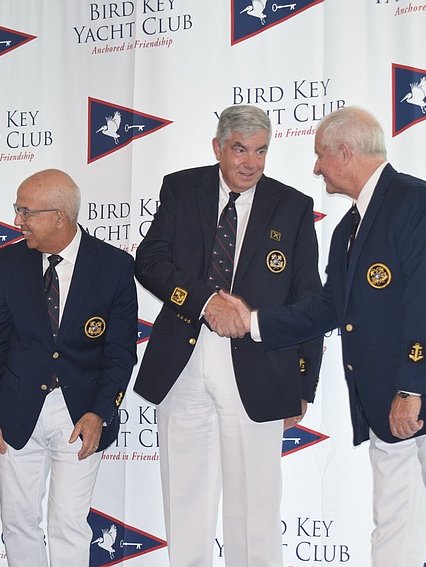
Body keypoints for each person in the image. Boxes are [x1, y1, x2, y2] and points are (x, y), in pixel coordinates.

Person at [222, 106, 426, 567]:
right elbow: (329, 308)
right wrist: (253, 323)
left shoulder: (418, 203)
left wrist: (411, 389)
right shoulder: (347, 229)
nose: (316, 168)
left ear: (346, 153)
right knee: (394, 520)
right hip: (384, 403)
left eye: (320, 156)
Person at [133, 104, 323, 567]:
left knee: (255, 506)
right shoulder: (182, 189)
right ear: (218, 147)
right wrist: (204, 302)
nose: (251, 163)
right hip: (184, 361)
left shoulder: (293, 206)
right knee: (185, 498)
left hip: (261, 366)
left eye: (261, 151)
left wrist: (304, 382)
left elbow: (307, 300)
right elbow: (149, 262)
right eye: (240, 150)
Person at [0, 169, 137, 567]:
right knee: (17, 522)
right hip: (15, 413)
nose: (17, 221)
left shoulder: (114, 265)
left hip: (81, 416)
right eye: (17, 210)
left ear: (60, 216)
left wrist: (100, 412)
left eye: (25, 212)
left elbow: (120, 353)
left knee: (68, 523)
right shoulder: (9, 261)